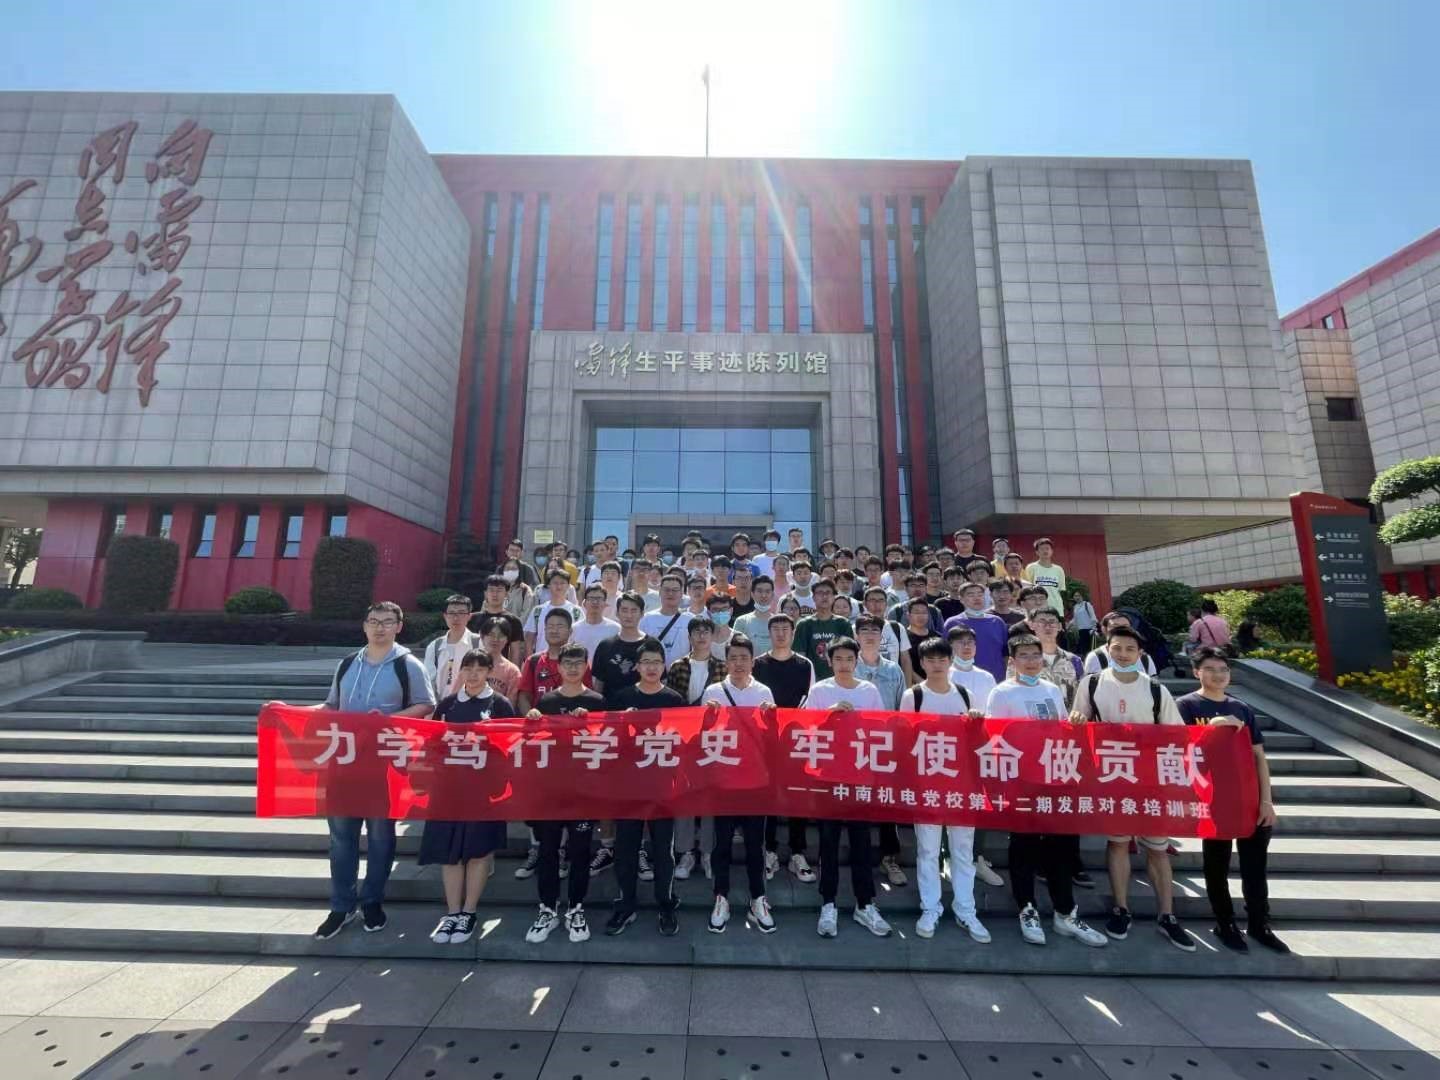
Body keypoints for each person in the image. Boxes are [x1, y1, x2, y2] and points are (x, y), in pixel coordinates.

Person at [311, 602, 436, 940]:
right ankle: (341, 905)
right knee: (341, 838)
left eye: (387, 622)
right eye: (374, 621)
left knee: (381, 835)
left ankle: (372, 902)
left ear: (399, 626)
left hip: (384, 763)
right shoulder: (348, 663)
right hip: (344, 761)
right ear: (364, 625)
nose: (380, 628)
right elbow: (331, 706)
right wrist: (291, 711)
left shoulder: (407, 665)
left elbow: (426, 704)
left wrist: (390, 721)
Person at [1071, 625, 1193, 952]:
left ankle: (1166, 915)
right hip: (1112, 777)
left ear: (1140, 654)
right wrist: (1077, 722)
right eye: (1117, 648)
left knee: (1157, 848)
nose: (1123, 654)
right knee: (1118, 843)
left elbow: (1178, 736)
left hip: (1150, 779)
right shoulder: (1092, 683)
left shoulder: (1155, 689)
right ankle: (1121, 909)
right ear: (1106, 649)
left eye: (1130, 649)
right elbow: (1077, 725)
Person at [987, 634, 1107, 949]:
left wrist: (1075, 723)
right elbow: (995, 740)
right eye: (1024, 656)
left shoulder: (1051, 689)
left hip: (1056, 779)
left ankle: (1065, 913)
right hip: (1022, 782)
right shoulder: (1001, 693)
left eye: (1035, 655)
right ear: (1012, 661)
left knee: (1062, 848)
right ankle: (1027, 909)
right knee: (1023, 847)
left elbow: (1060, 730)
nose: (1031, 661)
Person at [1177, 646, 1288, 954]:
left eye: (1223, 670)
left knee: (1255, 865)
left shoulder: (1241, 708)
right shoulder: (1186, 706)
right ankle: (1224, 922)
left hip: (1249, 797)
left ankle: (1259, 923)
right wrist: (1209, 729)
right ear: (1197, 672)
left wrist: (1266, 801)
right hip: (1213, 799)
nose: (1218, 675)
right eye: (1210, 669)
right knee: (1217, 864)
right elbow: (1179, 749)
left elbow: (1258, 756)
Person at [422, 649, 513, 945]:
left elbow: (511, 746)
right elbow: (433, 743)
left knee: (477, 852)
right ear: (461, 671)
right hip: (448, 790)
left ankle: (469, 912)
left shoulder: (500, 704)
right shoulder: (448, 704)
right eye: (468, 668)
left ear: (489, 672)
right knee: (450, 854)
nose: (473, 674)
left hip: (484, 793)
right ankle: (452, 912)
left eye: (480, 668)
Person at [901, 637, 990, 942]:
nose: (937, 665)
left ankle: (966, 909)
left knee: (962, 851)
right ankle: (930, 908)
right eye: (931, 660)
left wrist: (977, 723)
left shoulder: (965, 694)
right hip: (926, 784)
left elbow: (981, 740)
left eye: (942, 659)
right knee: (927, 849)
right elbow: (904, 738)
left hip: (961, 784)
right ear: (922, 663)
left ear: (951, 662)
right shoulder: (913, 696)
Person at [806, 637, 893, 939]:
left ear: (857, 661)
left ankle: (865, 903)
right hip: (829, 777)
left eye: (849, 659)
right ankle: (828, 902)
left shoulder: (868, 690)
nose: (844, 664)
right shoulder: (820, 690)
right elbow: (807, 730)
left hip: (860, 775)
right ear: (829, 661)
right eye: (838, 659)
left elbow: (881, 727)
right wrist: (828, 716)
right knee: (828, 842)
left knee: (861, 842)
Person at [524, 643, 604, 944]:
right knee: (548, 851)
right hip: (551, 789)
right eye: (567, 663)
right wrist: (532, 721)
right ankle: (547, 909)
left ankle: (576, 908)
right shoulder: (546, 701)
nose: (572, 668)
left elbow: (608, 744)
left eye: (578, 663)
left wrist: (590, 724)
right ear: (558, 667)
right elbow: (534, 744)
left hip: (584, 790)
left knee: (580, 851)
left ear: (586, 667)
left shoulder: (597, 701)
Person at [606, 636, 685, 938]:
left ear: (664, 666)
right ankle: (626, 904)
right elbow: (608, 741)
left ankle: (666, 903)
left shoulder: (674, 700)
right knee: (626, 848)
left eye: (657, 662)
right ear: (637, 667)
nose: (652, 667)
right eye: (646, 662)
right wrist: (623, 724)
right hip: (628, 786)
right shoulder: (621, 698)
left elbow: (683, 741)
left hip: (663, 787)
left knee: (663, 850)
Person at [701, 634, 778, 933]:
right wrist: (707, 718)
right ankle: (720, 897)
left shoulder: (764, 692)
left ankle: (758, 898)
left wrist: (772, 719)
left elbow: (772, 738)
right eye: (732, 658)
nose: (738, 663)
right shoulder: (714, 691)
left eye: (744, 658)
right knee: (721, 844)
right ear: (726, 661)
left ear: (752, 661)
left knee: (755, 845)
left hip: (755, 780)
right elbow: (704, 737)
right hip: (724, 780)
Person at [754, 612, 817, 884]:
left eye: (785, 629)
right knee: (766, 794)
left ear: (792, 633)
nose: (780, 633)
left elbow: (810, 701)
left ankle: (797, 852)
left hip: (796, 739)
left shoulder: (805, 664)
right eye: (775, 629)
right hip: (765, 740)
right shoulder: (758, 664)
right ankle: (768, 850)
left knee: (796, 795)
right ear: (769, 633)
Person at [944, 625, 1004, 890]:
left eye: (970, 642)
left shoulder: (986, 677)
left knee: (979, 803)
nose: (966, 647)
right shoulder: (945, 674)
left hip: (980, 747)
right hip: (948, 748)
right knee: (950, 802)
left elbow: (994, 715)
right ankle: (947, 857)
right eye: (960, 642)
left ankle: (976, 857)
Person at [666, 616, 727, 879]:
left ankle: (708, 852)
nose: (701, 636)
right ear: (689, 637)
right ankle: (686, 852)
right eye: (696, 632)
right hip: (685, 740)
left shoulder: (722, 666)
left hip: (713, 740)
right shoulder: (678, 666)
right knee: (686, 796)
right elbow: (672, 704)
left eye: (706, 632)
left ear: (712, 637)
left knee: (710, 798)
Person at [853, 613, 909, 887]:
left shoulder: (894, 670)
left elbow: (901, 709)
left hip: (886, 744)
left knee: (887, 802)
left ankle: (889, 858)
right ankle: (860, 855)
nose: (869, 635)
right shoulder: (848, 666)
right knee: (858, 802)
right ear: (856, 636)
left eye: (875, 630)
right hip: (855, 744)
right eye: (864, 630)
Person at [942, 582, 1008, 683]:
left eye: (980, 594)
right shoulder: (952, 623)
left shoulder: (997, 622)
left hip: (997, 679)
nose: (976, 598)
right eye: (971, 595)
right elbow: (945, 653)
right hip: (962, 680)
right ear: (961, 599)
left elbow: (1006, 653)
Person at [423, 594, 483, 700]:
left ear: (469, 616)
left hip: (471, 703)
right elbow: (428, 680)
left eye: (461, 613)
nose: (456, 618)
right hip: (440, 704)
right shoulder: (435, 646)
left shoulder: (478, 643)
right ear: (445, 616)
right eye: (451, 613)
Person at [792, 578, 852, 681]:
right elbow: (799, 657)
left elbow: (850, 655)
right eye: (820, 593)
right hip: (811, 680)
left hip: (839, 679)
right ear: (813, 597)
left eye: (828, 593)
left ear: (834, 597)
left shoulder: (843, 624)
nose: (824, 596)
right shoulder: (804, 624)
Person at [523, 569, 583, 656]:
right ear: (548, 585)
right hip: (543, 660)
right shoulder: (538, 610)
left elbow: (582, 638)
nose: (559, 586)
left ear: (568, 586)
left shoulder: (576, 611)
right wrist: (531, 660)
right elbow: (529, 638)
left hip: (568, 660)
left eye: (562, 583)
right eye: (555, 583)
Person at [639, 573, 694, 666]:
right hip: (653, 671)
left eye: (675, 590)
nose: (670, 593)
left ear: (682, 593)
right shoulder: (646, 619)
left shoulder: (690, 619)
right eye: (666, 590)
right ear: (660, 592)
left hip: (682, 672)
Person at [1082, 611, 1159, 676]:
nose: (1121, 630)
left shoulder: (1144, 659)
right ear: (1104, 630)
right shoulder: (1095, 657)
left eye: (1125, 627)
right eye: (1115, 626)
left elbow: (1153, 685)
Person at [477, 575, 527, 664]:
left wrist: (514, 671)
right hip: (477, 667)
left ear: (506, 594)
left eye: (499, 590)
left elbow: (515, 652)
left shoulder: (513, 621)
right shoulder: (475, 619)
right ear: (485, 593)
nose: (495, 594)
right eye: (491, 590)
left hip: (502, 668)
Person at [477, 615, 523, 705]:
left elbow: (510, 705)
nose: (495, 639)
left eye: (501, 635)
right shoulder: (470, 663)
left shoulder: (512, 671)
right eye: (491, 634)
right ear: (482, 637)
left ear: (507, 640)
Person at [572, 583, 620, 663]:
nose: (595, 602)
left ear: (605, 603)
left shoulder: (615, 629)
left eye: (599, 598)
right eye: (591, 598)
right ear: (584, 603)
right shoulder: (574, 629)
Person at [733, 574, 777, 654]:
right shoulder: (742, 621)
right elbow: (736, 649)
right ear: (752, 594)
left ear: (772, 595)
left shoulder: (778, 622)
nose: (764, 595)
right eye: (759, 591)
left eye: (767, 591)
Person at [1025, 538, 1066, 613]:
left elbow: (1060, 591)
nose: (1045, 551)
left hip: (1056, 609)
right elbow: (1027, 589)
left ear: (1052, 551)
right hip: (1038, 609)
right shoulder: (1031, 567)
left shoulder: (1059, 569)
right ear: (1037, 552)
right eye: (1042, 549)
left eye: (1047, 548)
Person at [498, 559, 537, 626]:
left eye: (514, 569)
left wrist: (515, 627)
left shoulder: (525, 590)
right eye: (507, 568)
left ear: (519, 571)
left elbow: (527, 613)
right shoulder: (496, 589)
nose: (510, 571)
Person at [706, 591, 735, 658]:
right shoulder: (702, 639)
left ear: (731, 611)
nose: (720, 612)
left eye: (724, 608)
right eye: (715, 609)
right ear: (708, 613)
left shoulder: (739, 638)